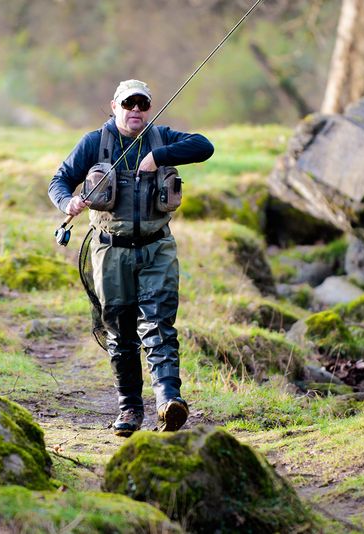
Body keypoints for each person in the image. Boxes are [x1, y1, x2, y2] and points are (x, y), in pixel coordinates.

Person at [48, 80, 214, 437]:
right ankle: (129, 408)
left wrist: (159, 157)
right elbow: (59, 181)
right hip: (110, 249)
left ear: (149, 108)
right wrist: (68, 202)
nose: (135, 109)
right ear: (114, 105)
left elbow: (205, 146)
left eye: (142, 104)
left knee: (158, 322)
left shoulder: (162, 137)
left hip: (157, 247)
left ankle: (169, 400)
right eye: (128, 103)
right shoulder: (94, 143)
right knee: (120, 331)